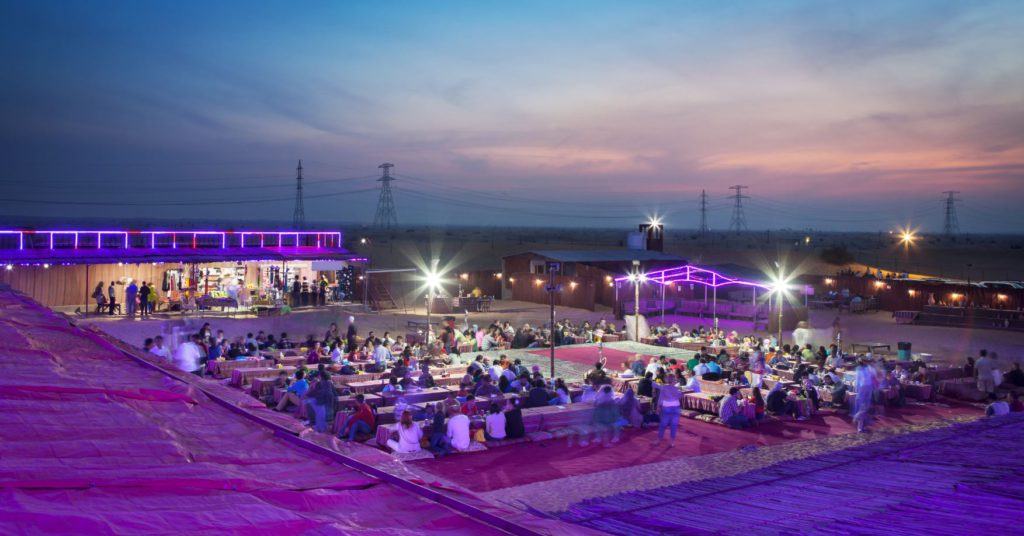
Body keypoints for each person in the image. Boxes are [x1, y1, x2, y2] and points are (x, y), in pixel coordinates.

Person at [653, 374, 683, 447]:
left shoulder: (664, 387)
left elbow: (660, 399)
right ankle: (672, 442)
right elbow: (680, 396)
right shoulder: (676, 389)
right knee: (673, 425)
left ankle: (659, 440)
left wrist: (658, 407)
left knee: (662, 425)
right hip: (676, 408)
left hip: (667, 408)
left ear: (667, 380)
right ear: (674, 381)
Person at [853, 358, 877, 432]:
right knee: (864, 407)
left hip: (864, 387)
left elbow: (858, 380)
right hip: (866, 387)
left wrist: (856, 390)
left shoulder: (862, 369)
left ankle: (860, 421)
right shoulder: (865, 369)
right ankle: (859, 423)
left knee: (864, 407)